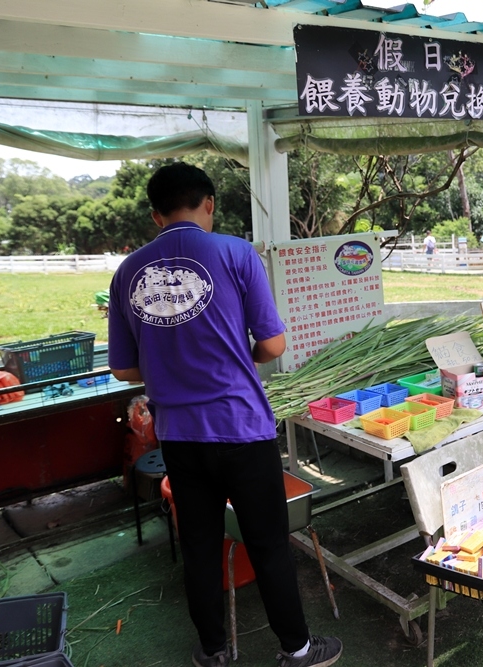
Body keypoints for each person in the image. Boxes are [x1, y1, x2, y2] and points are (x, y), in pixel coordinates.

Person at [108, 163, 342, 667]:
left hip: (179, 437)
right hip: (241, 428)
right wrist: (240, 355)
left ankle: (214, 652)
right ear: (209, 203)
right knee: (268, 543)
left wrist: (167, 362)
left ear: (155, 215)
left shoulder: (128, 272)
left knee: (198, 546)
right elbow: (273, 344)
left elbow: (125, 369)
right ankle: (297, 649)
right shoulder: (236, 253)